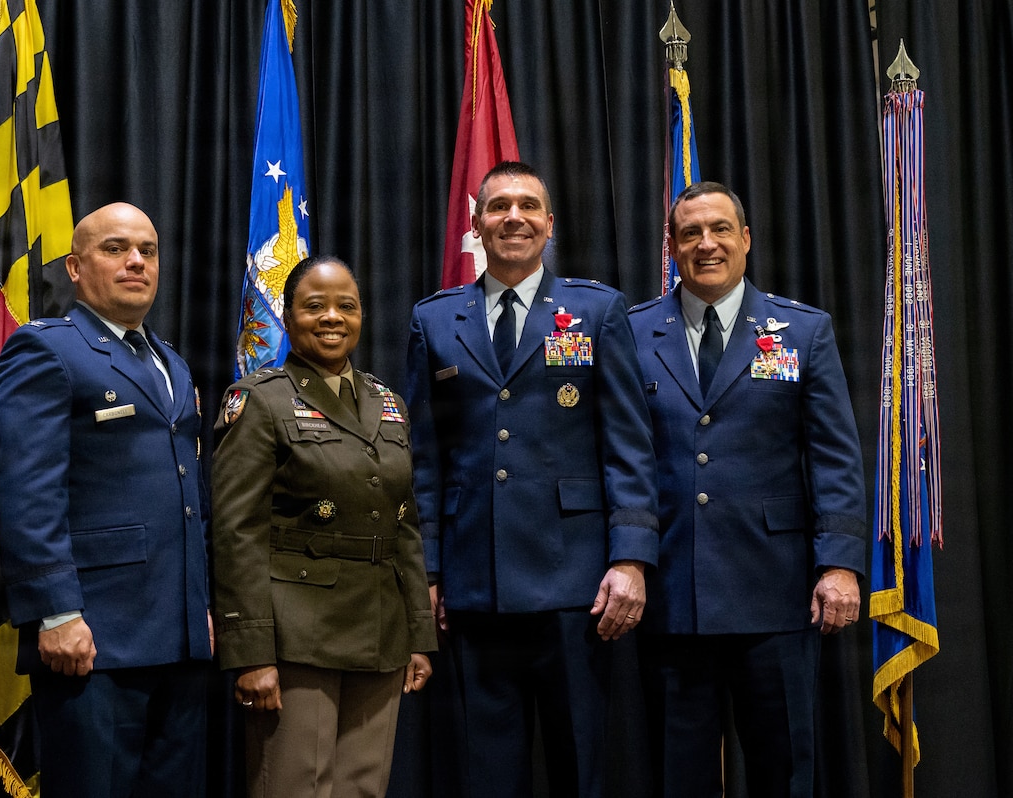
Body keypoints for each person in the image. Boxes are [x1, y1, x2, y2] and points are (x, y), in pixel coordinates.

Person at [405, 160, 659, 797]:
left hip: (576, 582)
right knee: (485, 774)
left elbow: (628, 444)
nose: (512, 217)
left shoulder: (597, 311)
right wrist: (428, 572)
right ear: (475, 224)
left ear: (549, 223)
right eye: (497, 207)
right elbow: (424, 460)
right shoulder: (434, 320)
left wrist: (630, 558)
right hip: (473, 579)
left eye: (526, 206)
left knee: (581, 767)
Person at [628, 181, 866, 798]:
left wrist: (839, 564)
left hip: (776, 591)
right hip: (672, 596)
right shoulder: (630, 333)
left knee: (783, 769)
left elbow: (835, 456)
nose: (706, 244)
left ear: (746, 239)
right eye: (689, 233)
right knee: (677, 775)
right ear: (672, 247)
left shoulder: (801, 331)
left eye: (720, 229)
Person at [0, 202, 215, 798]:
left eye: (148, 250)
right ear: (74, 267)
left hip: (179, 639)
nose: (136, 260)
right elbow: (25, 491)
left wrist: (201, 607)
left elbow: (191, 498)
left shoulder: (173, 363)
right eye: (115, 248)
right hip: (93, 638)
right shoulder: (46, 349)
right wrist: (56, 612)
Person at [211, 255, 436, 798]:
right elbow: (235, 533)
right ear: (287, 319)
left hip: (381, 633)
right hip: (295, 638)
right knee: (295, 787)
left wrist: (419, 635)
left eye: (346, 306)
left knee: (363, 788)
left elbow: (404, 524)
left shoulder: (389, 404)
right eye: (314, 306)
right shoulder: (259, 400)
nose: (332, 317)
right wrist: (251, 652)